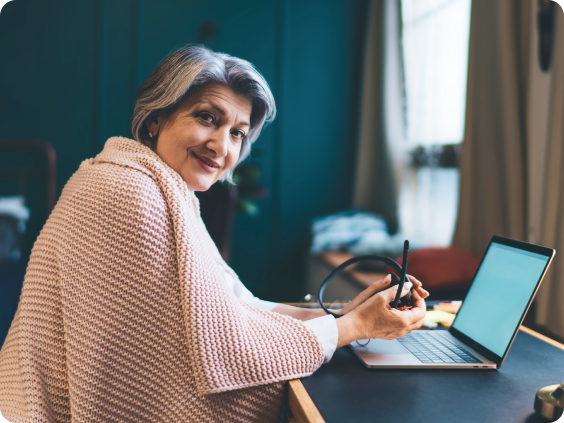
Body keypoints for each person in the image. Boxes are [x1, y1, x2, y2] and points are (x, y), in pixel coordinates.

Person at [0, 45, 428, 423]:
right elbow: (213, 351)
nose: (223, 147)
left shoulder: (160, 189)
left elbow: (236, 308)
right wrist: (353, 327)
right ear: (155, 119)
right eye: (208, 118)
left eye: (237, 133)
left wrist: (345, 315)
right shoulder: (126, 193)